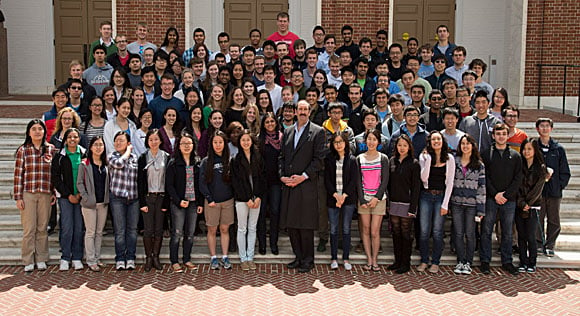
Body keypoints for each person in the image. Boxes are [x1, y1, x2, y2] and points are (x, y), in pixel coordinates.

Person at [280, 100, 325, 273]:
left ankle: (308, 259)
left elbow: (319, 160)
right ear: (296, 111)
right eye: (300, 109)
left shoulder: (317, 132)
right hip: (290, 184)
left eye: (306, 109)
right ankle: (298, 257)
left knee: (305, 225)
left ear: (310, 111)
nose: (303, 112)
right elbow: (282, 158)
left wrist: (303, 177)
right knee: (292, 225)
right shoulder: (288, 131)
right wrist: (282, 176)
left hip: (306, 185)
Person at [14, 120, 58, 272]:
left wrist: (53, 192)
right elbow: (18, 175)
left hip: (45, 193)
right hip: (28, 193)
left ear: (45, 132)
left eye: (40, 129)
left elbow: (54, 174)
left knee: (42, 228)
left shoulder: (51, 149)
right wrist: (18, 197)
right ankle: (28, 259)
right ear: (28, 132)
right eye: (34, 129)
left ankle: (41, 258)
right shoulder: (23, 150)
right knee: (29, 228)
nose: (37, 132)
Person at [480, 123, 523, 275]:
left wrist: (506, 195)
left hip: (509, 200)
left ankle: (507, 261)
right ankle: (485, 261)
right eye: (498, 134)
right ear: (493, 136)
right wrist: (495, 194)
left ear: (507, 135)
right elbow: (484, 177)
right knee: (486, 230)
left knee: (507, 232)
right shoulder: (486, 154)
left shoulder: (515, 155)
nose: (501, 136)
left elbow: (518, 178)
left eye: (504, 134)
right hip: (491, 199)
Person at [417, 131, 455, 274]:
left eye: (438, 139)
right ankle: (424, 260)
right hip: (426, 196)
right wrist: (428, 161)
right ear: (430, 142)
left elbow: (450, 182)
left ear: (442, 141)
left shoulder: (449, 158)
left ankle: (435, 262)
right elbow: (423, 178)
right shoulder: (424, 156)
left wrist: (446, 204)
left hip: (441, 197)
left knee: (438, 231)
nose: (436, 142)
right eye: (433, 140)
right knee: (424, 231)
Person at [231, 130, 267, 270]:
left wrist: (258, 197)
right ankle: (243, 258)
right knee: (242, 228)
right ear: (239, 143)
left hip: (256, 199)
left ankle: (250, 257)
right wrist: (247, 199)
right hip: (242, 200)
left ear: (251, 141)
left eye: (248, 140)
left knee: (253, 228)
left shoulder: (258, 157)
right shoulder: (235, 160)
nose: (245, 142)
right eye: (243, 140)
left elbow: (263, 178)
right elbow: (236, 183)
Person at [450, 134, 486, 275]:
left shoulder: (479, 164)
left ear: (473, 146)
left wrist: (481, 209)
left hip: (472, 205)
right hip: (457, 203)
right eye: (463, 143)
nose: (465, 146)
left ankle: (468, 262)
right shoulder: (454, 161)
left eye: (468, 143)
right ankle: (460, 260)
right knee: (458, 233)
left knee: (470, 234)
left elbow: (482, 188)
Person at [52, 128, 86, 271]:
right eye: (70, 137)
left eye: (75, 137)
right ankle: (65, 256)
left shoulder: (84, 154)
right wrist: (68, 195)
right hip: (65, 197)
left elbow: (87, 176)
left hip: (81, 197)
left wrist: (79, 194)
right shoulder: (60, 156)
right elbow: (56, 178)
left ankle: (77, 256)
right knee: (67, 227)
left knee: (79, 228)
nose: (73, 139)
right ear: (65, 139)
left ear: (79, 138)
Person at [199, 131, 235, 270]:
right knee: (212, 229)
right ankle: (213, 257)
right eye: (215, 142)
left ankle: (225, 256)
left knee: (225, 229)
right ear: (211, 144)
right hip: (212, 202)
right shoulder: (206, 161)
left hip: (227, 201)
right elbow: (202, 183)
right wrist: (209, 198)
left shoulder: (230, 160)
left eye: (221, 142)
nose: (218, 145)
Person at [536, 118, 571, 257]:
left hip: (554, 192)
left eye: (547, 126)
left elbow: (565, 172)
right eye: (542, 126)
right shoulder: (534, 147)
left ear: (551, 128)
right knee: (538, 218)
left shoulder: (558, 149)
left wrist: (558, 185)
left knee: (553, 219)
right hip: (538, 192)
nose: (544, 129)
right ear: (537, 129)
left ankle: (550, 245)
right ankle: (538, 244)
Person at [136, 129, 170, 271]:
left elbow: (169, 180)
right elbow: (140, 181)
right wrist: (142, 202)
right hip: (148, 197)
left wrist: (167, 201)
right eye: (151, 140)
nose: (154, 142)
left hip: (161, 197)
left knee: (158, 229)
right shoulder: (143, 157)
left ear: (161, 141)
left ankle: (156, 256)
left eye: (156, 139)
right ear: (147, 141)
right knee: (148, 229)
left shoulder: (167, 157)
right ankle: (148, 257)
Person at [356, 128, 389, 272]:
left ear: (378, 142)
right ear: (365, 141)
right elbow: (358, 181)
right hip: (364, 199)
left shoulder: (383, 158)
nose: (371, 142)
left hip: (379, 200)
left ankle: (375, 259)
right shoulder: (359, 158)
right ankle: (368, 258)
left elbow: (385, 180)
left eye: (374, 139)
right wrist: (362, 199)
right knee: (365, 229)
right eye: (369, 139)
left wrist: (377, 197)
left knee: (375, 231)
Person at [387, 135, 421, 274]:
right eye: (399, 145)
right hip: (394, 202)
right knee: (396, 232)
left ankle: (405, 263)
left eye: (405, 145)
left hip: (407, 203)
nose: (402, 148)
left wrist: (413, 207)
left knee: (406, 233)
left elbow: (416, 187)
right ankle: (397, 261)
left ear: (409, 147)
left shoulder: (414, 163)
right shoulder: (392, 161)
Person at [325, 132, 358, 270]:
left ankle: (345, 258)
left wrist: (343, 196)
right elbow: (327, 180)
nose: (338, 145)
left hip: (348, 199)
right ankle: (333, 258)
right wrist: (335, 195)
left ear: (346, 143)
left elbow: (353, 180)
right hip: (333, 199)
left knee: (346, 229)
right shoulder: (329, 159)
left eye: (341, 142)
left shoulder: (352, 159)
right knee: (333, 229)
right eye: (335, 142)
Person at [108, 131, 140, 270]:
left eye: (121, 140)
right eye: (116, 140)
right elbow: (120, 164)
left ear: (128, 143)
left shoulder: (135, 158)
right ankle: (120, 258)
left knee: (132, 230)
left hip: (133, 198)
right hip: (117, 198)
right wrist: (127, 151)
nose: (118, 143)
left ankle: (131, 257)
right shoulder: (111, 156)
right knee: (120, 230)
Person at [76, 136, 109, 272]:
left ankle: (97, 257)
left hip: (103, 203)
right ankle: (90, 260)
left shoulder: (106, 164)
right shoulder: (85, 164)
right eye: (96, 145)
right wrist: (86, 197)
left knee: (99, 232)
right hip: (89, 204)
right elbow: (79, 183)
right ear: (90, 147)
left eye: (101, 145)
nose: (98, 147)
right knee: (90, 232)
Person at [516, 138, 548, 273]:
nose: (526, 152)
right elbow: (516, 185)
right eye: (524, 149)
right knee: (521, 235)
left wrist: (528, 203)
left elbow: (538, 189)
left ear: (535, 150)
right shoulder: (519, 165)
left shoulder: (541, 168)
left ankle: (532, 262)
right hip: (519, 205)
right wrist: (521, 203)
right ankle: (523, 261)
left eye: (529, 149)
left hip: (534, 207)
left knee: (531, 235)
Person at [257, 113, 283, 255]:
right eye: (267, 122)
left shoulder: (282, 138)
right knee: (261, 214)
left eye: (272, 121)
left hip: (276, 182)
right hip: (262, 182)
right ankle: (262, 244)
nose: (270, 124)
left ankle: (273, 243)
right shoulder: (259, 139)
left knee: (274, 211)